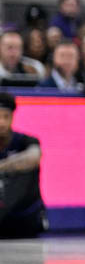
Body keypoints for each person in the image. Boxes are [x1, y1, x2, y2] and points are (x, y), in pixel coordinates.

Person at [0, 92, 47, 238]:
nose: (1, 122)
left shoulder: (26, 141)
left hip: (25, 218)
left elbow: (34, 157)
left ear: (13, 117)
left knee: (24, 170)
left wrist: (2, 167)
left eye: (5, 117)